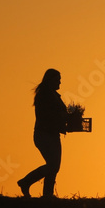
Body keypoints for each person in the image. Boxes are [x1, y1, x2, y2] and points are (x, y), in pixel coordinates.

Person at [18, 69, 68, 198]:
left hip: (52, 134)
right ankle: (26, 182)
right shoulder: (45, 95)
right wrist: (62, 117)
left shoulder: (53, 95)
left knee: (54, 166)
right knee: (52, 166)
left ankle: (47, 195)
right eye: (57, 80)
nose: (59, 83)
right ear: (50, 80)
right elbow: (48, 115)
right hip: (44, 134)